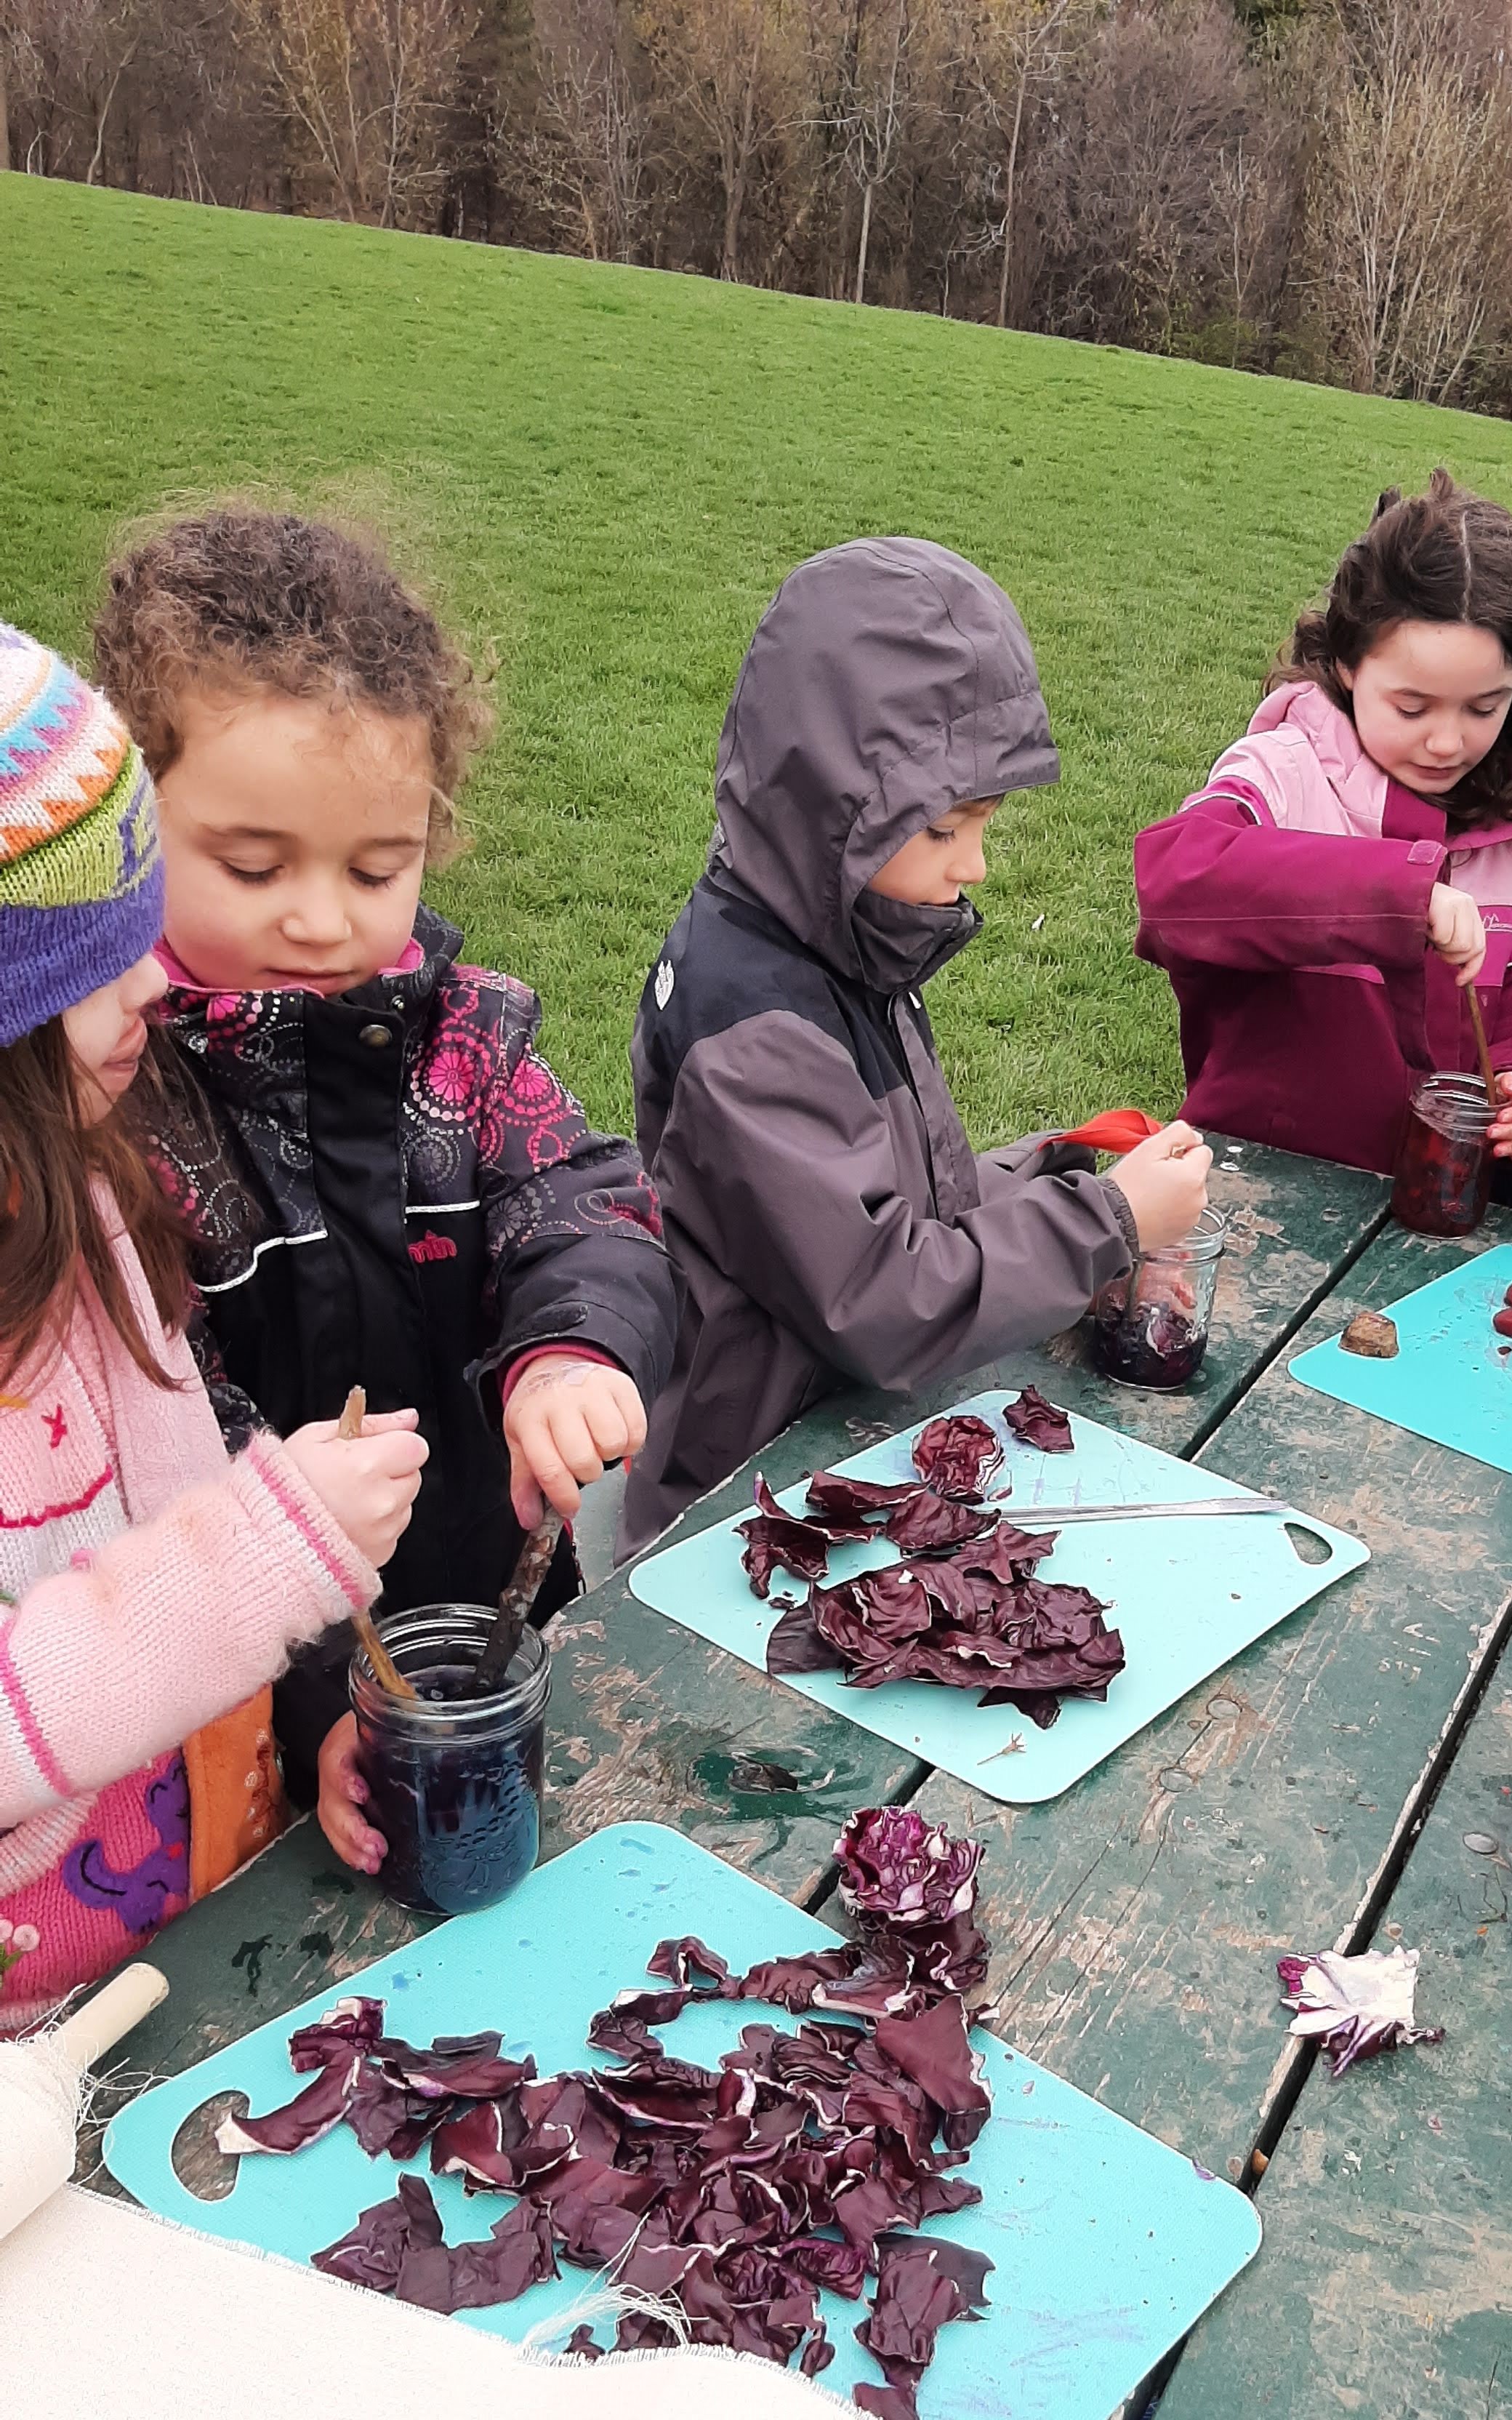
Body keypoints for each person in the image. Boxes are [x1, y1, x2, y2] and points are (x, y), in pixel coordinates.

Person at [91, 510, 679, 1868]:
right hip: (222, 1707)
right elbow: (172, 1459)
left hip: (473, 1599)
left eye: (377, 867)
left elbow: (583, 1196)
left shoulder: (456, 1041)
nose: (322, 915)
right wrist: (312, 1709)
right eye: (254, 865)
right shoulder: (116, 1110)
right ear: (133, 825)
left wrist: (570, 1351)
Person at [620, 537, 1211, 1555]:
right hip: (743, 1505)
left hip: (844, 1451)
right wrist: (1103, 1225)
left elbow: (899, 1199)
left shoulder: (837, 933)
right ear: (832, 808)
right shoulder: (755, 1024)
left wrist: (1059, 1168)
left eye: (982, 825)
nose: (974, 863)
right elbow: (884, 1295)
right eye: (942, 831)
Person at [0, 624, 425, 2029]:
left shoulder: (81, 1199)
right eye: (86, 968)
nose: (153, 988)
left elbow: (181, 1493)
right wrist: (262, 1547)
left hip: (201, 1915)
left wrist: (311, 1695)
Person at [1133, 471, 1512, 1178]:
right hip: (1254, 1192)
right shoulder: (1282, 773)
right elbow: (1173, 883)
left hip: (1418, 1218)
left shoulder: (1506, 830)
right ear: (1347, 661)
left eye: (1482, 708)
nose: (1446, 742)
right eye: (1411, 707)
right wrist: (1398, 895)